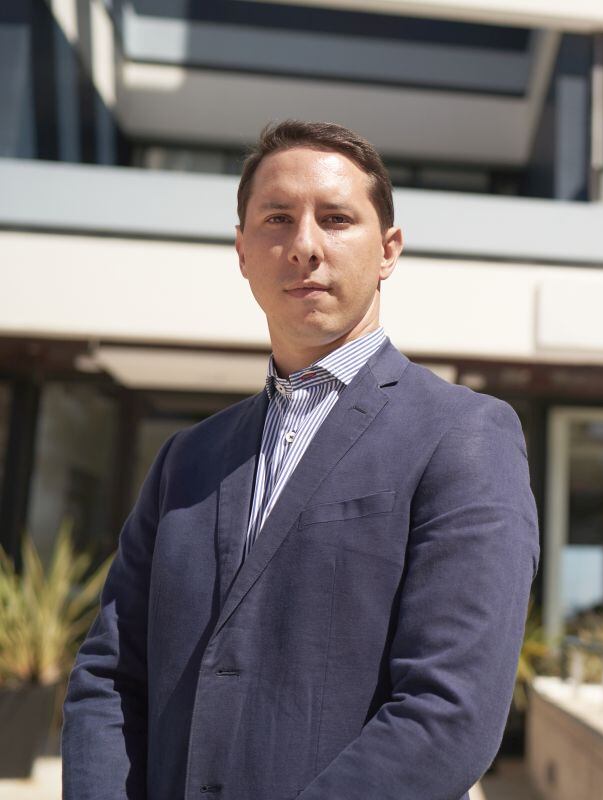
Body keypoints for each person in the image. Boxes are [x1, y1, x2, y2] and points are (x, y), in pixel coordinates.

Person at [61, 120, 540, 800]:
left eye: (337, 219)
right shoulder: (185, 461)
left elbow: (449, 711)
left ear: (388, 250)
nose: (304, 246)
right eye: (277, 220)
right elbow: (110, 675)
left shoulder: (464, 435)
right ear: (242, 251)